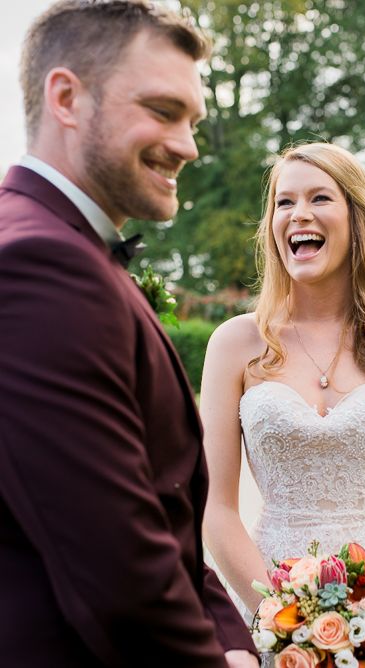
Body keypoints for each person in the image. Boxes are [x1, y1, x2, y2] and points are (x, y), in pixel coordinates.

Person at [0, 1, 258, 666]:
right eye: (163, 111)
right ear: (67, 98)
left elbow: (164, 516)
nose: (189, 145)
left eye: (192, 121)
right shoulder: (39, 264)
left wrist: (235, 642)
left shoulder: (69, 250)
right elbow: (121, 572)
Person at [201, 142, 365, 665]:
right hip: (267, 597)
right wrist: (274, 616)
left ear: (356, 220)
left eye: (320, 198)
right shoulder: (234, 344)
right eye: (283, 202)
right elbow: (217, 508)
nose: (298, 214)